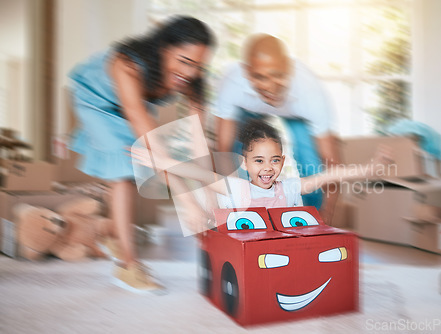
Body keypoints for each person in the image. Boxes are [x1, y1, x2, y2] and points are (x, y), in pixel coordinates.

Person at [68, 16, 215, 294]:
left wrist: (209, 201)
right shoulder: (127, 65)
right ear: (162, 47)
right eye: (183, 61)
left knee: (139, 167)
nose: (190, 73)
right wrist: (187, 200)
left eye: (198, 66)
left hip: (129, 104)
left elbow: (199, 143)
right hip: (97, 102)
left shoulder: (193, 80)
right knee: (125, 171)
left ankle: (112, 232)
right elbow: (150, 139)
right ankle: (128, 266)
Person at [213, 33, 340, 221]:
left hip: (296, 112)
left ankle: (311, 219)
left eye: (278, 76)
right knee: (239, 153)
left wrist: (326, 214)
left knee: (311, 163)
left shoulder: (310, 93)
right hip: (248, 109)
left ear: (289, 68)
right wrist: (228, 205)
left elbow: (332, 164)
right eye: (260, 77)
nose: (270, 86)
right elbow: (223, 150)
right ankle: (248, 209)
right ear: (247, 72)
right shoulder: (232, 84)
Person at [215, 119, 389, 209]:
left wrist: (369, 168)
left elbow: (330, 175)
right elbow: (198, 174)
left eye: (274, 160)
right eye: (259, 161)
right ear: (244, 163)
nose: (268, 167)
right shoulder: (237, 188)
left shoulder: (288, 188)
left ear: (282, 162)